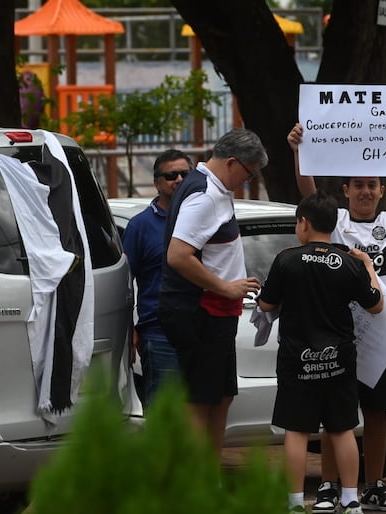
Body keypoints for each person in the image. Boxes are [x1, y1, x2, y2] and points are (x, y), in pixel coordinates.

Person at [287, 122, 386, 513]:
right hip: (339, 332)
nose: (366, 191)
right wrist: (298, 151)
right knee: (335, 416)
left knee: (377, 412)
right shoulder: (333, 220)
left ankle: (374, 485)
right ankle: (328, 486)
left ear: (382, 190)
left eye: (373, 184)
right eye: (359, 185)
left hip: (381, 333)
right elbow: (307, 190)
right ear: (346, 191)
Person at [258, 190, 384, 514]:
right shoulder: (347, 262)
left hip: (297, 358)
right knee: (342, 429)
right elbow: (376, 305)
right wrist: (368, 264)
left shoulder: (286, 259)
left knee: (297, 432)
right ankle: (351, 499)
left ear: (303, 223)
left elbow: (267, 303)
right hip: (339, 359)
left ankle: (295, 503)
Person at [157, 128, 266, 453]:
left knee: (220, 396)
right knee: (200, 401)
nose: (247, 181)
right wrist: (225, 287)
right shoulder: (204, 194)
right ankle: (196, 485)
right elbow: (177, 255)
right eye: (249, 173)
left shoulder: (212, 190)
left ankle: (209, 477)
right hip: (200, 310)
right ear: (232, 163)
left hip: (215, 313)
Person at [122, 149, 192, 408]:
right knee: (164, 417)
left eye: (185, 174)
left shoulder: (204, 219)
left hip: (203, 334)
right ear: (157, 183)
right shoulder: (140, 226)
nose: (179, 180)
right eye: (171, 175)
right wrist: (129, 331)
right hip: (160, 335)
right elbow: (124, 284)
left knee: (199, 420)